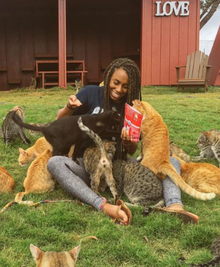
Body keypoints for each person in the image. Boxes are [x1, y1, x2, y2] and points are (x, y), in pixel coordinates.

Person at [47, 57, 199, 225]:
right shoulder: (90, 93)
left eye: (125, 86)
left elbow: (133, 150)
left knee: (170, 161)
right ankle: (103, 205)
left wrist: (128, 141)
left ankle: (175, 205)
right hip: (89, 167)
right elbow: (58, 121)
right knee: (54, 163)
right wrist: (69, 107)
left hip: (120, 167)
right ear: (108, 78)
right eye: (116, 82)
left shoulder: (132, 108)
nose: (119, 89)